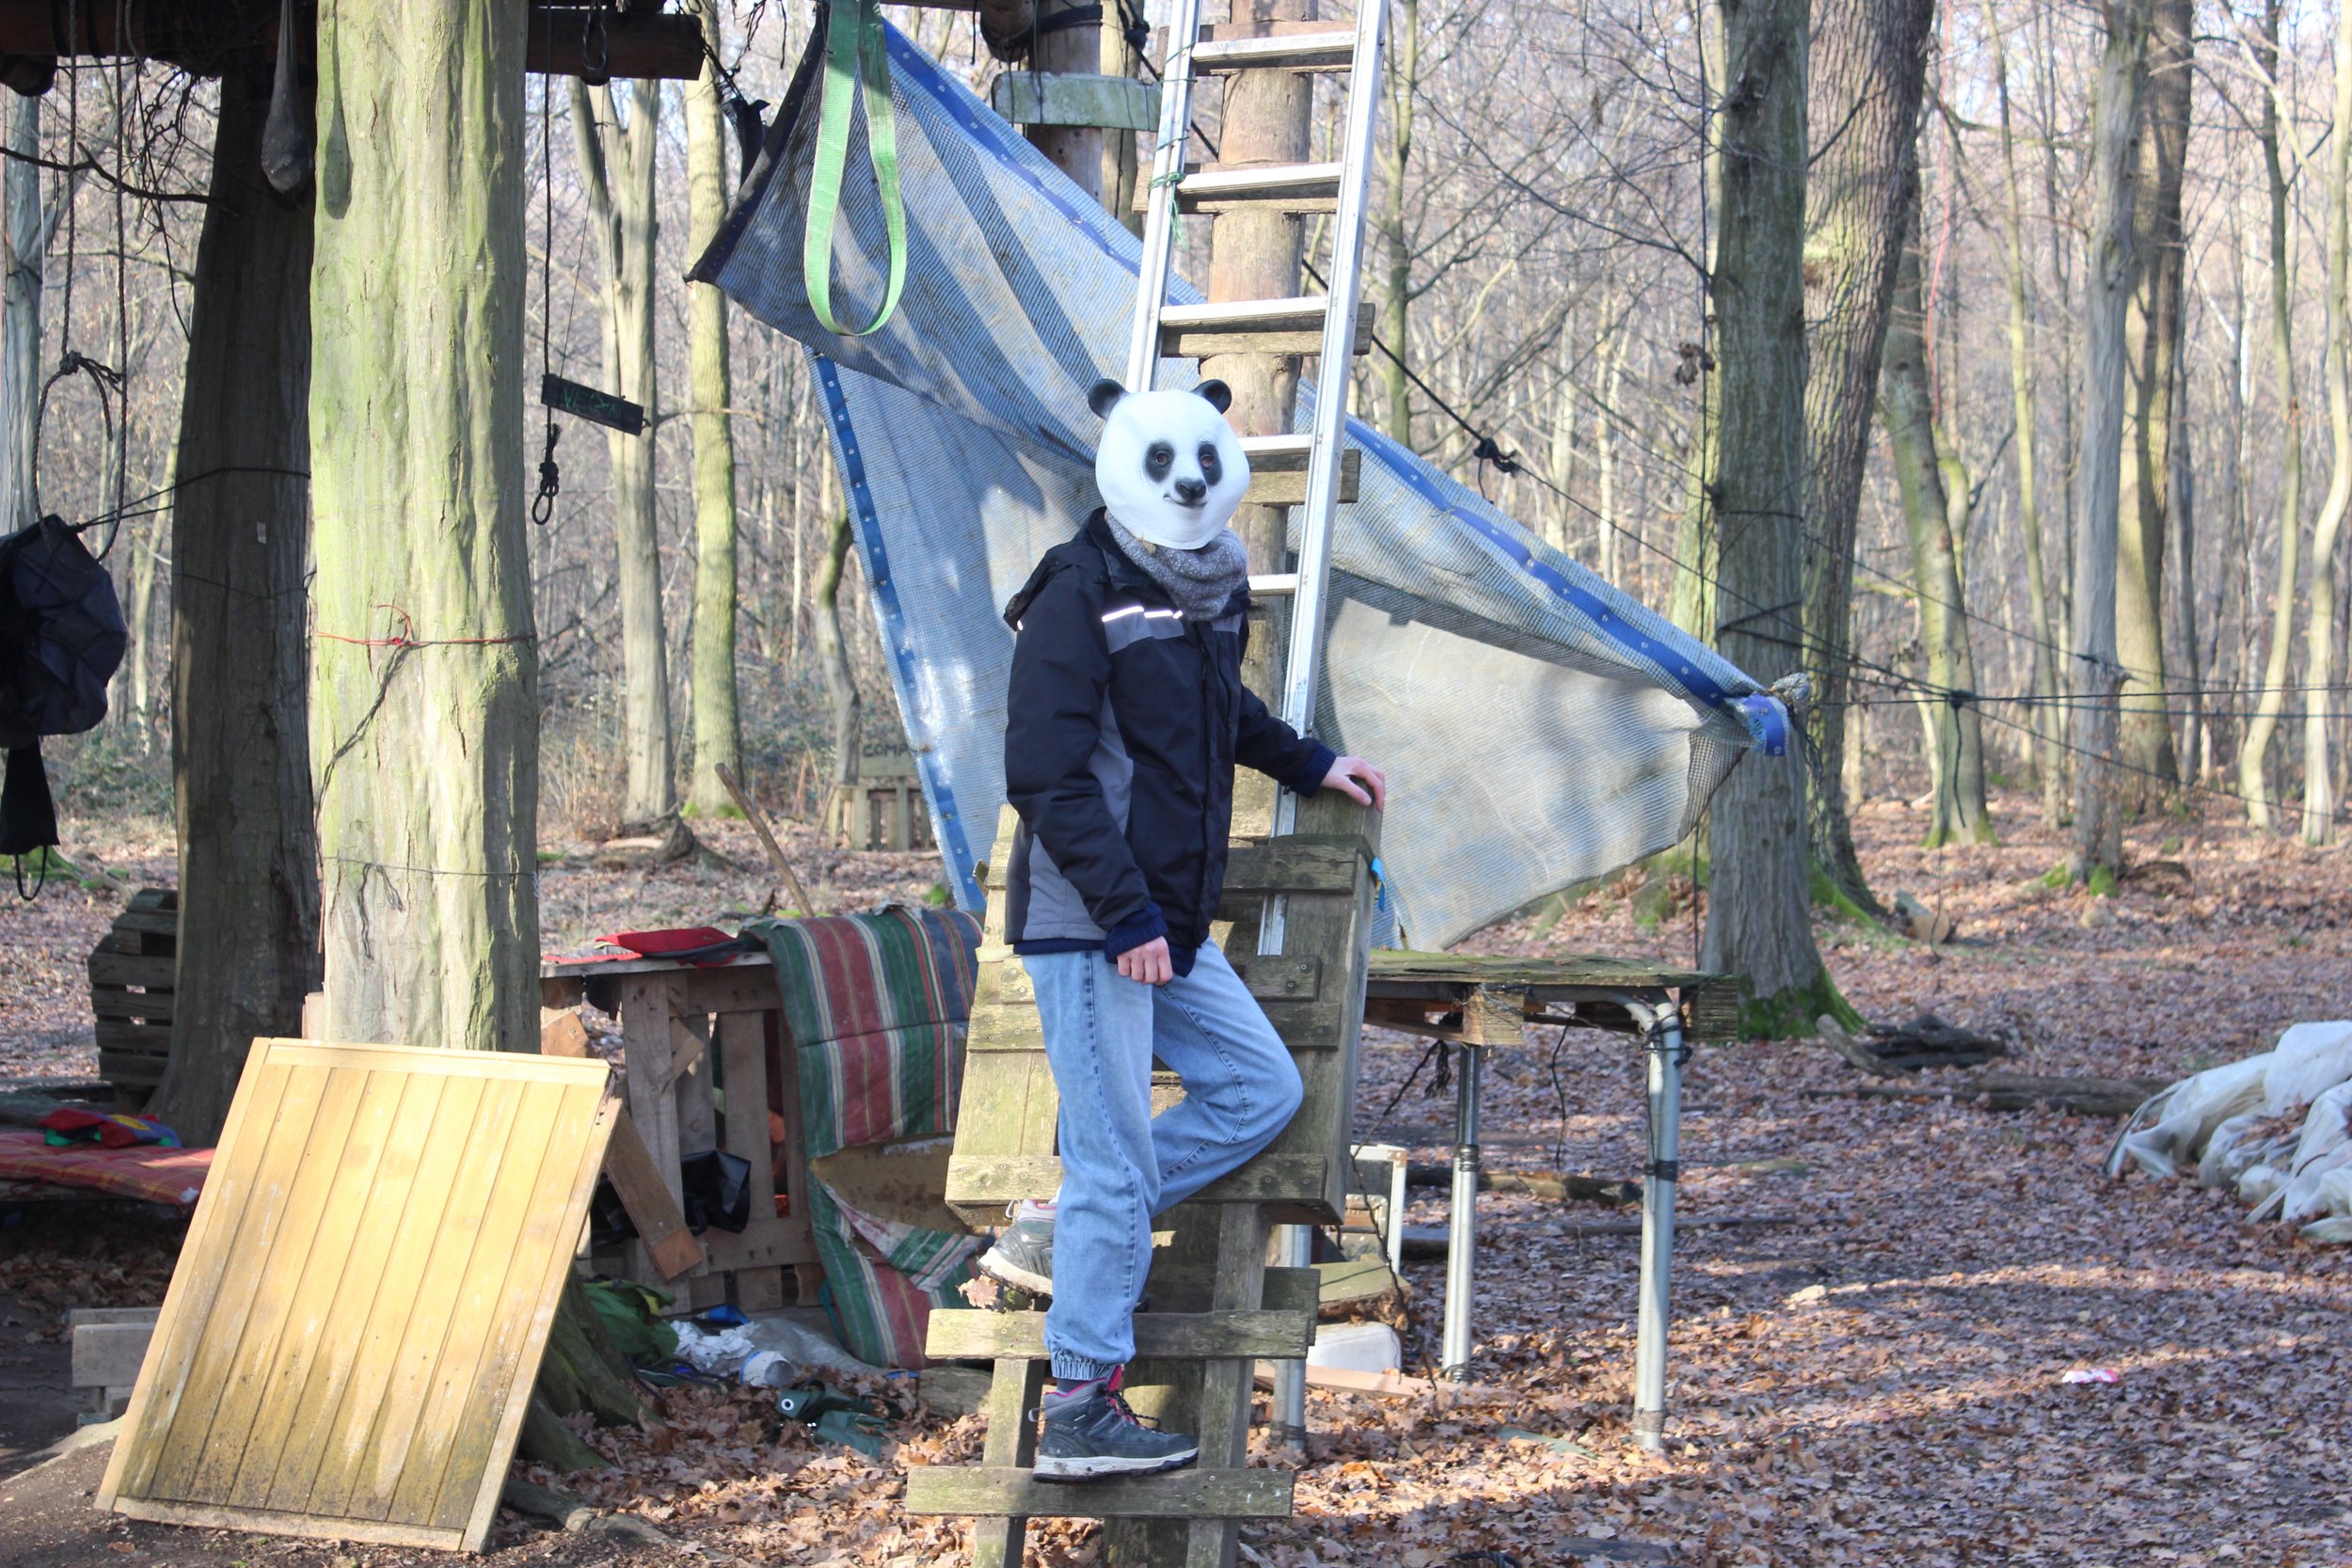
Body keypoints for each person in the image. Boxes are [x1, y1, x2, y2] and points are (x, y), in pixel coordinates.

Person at [981, 378, 1388, 1481]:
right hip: (1094, 920)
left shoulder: (1207, 588)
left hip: (1165, 918)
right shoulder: (1079, 589)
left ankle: (1057, 1227)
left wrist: (1312, 761)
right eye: (1167, 465)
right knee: (1113, 1162)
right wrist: (1122, 917)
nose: (1191, 482)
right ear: (1125, 463)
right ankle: (1078, 1402)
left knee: (1261, 1088)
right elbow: (1046, 776)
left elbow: (1220, 722)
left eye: (1207, 461)